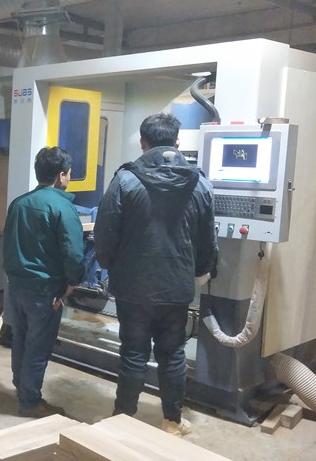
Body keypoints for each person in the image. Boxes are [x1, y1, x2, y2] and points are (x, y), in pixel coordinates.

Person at [94, 113, 218, 436]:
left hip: (133, 288)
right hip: (177, 287)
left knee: (133, 353)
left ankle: (122, 419)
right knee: (173, 353)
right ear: (177, 142)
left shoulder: (124, 181)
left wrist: (110, 265)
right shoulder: (200, 184)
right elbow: (208, 239)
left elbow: (104, 234)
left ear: (143, 143)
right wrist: (202, 271)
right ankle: (172, 421)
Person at [2, 146, 85, 418]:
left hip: (16, 286)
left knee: (21, 339)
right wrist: (74, 280)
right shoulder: (63, 207)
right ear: (61, 176)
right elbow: (73, 252)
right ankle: (30, 402)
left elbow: (8, 245)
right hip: (45, 290)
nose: (69, 178)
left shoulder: (19, 203)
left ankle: (22, 389)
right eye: (69, 174)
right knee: (38, 345)